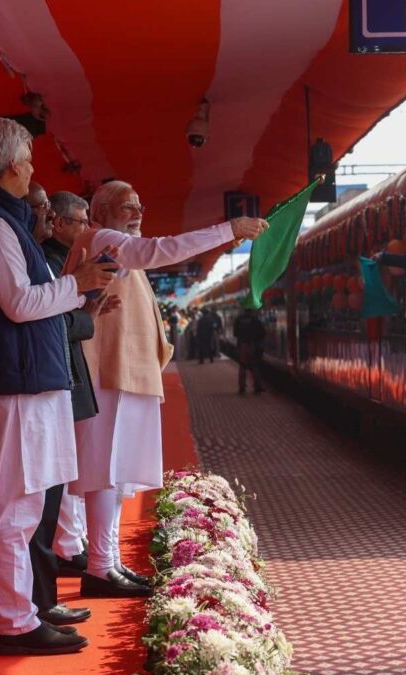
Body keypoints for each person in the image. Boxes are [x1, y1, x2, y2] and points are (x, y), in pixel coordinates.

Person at [0, 118, 115, 655]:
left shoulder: (3, 222)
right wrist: (76, 285)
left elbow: (27, 301)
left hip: (24, 382)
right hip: (10, 384)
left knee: (23, 502)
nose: (34, 168)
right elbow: (19, 304)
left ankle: (20, 614)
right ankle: (15, 622)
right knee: (12, 506)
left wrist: (75, 291)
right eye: (31, 160)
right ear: (14, 165)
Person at [63, 180, 267, 598]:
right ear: (99, 212)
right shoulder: (102, 238)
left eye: (140, 205)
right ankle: (100, 567)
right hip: (107, 372)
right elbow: (160, 251)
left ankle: (109, 562)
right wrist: (228, 230)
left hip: (124, 372)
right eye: (125, 206)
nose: (137, 212)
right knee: (105, 471)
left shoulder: (112, 244)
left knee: (116, 475)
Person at [43, 191, 120, 578]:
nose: (87, 228)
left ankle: (71, 542)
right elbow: (50, 319)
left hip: (66, 368)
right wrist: (86, 313)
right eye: (80, 221)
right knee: (66, 466)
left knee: (71, 463)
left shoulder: (67, 259)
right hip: (60, 369)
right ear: (58, 223)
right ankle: (67, 545)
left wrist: (90, 308)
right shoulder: (55, 261)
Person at [233, 308, 266, 394]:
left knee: (242, 365)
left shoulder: (238, 320)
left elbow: (235, 333)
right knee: (255, 365)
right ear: (251, 311)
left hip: (242, 344)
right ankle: (257, 386)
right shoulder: (255, 320)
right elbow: (262, 332)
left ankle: (242, 386)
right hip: (252, 345)